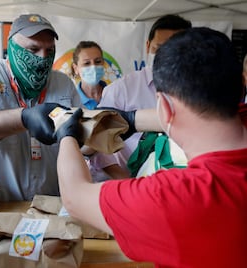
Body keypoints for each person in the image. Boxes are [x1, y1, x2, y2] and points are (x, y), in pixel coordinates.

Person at [55, 27, 247, 267]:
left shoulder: (174, 197)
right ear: (241, 86)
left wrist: (66, 135)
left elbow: (75, 197)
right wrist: (132, 119)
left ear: (163, 107)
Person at [0, 14, 80, 201]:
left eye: (49, 50)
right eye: (33, 49)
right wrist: (24, 118)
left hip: (48, 204)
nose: (42, 57)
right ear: (12, 46)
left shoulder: (62, 83)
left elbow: (80, 137)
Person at [98, 14, 192, 175]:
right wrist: (126, 184)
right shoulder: (122, 90)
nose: (167, 56)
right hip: (128, 184)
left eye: (176, 50)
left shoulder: (198, 90)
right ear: (148, 46)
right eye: (160, 48)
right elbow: (98, 144)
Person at [71, 40, 129, 181]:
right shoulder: (71, 101)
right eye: (86, 63)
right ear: (76, 68)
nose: (93, 67)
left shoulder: (116, 95)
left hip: (123, 172)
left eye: (97, 62)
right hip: (86, 178)